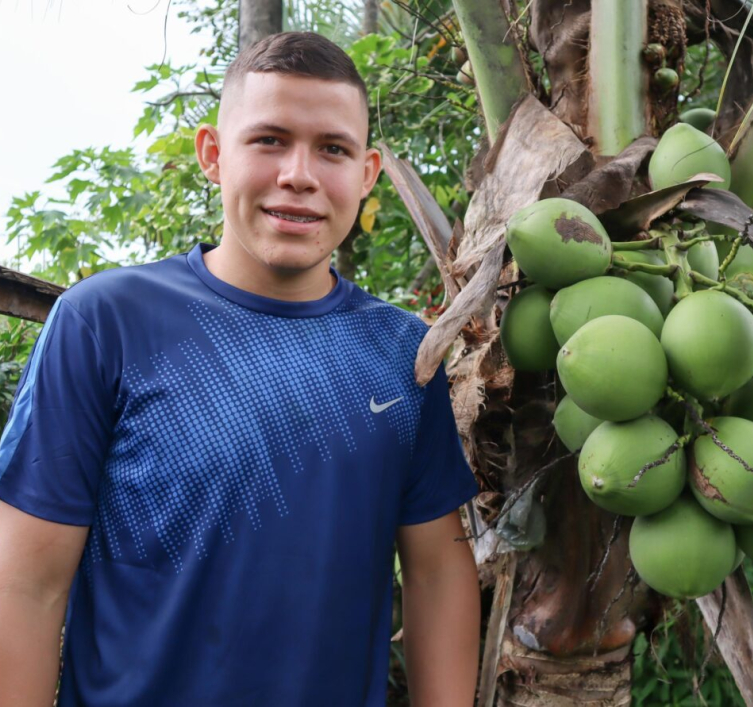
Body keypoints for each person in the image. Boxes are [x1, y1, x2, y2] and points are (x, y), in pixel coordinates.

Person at [0, 31, 480, 706]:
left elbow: (436, 572)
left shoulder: (405, 353)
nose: (299, 175)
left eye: (333, 149)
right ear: (213, 154)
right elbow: (26, 582)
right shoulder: (105, 323)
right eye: (270, 140)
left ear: (368, 173)